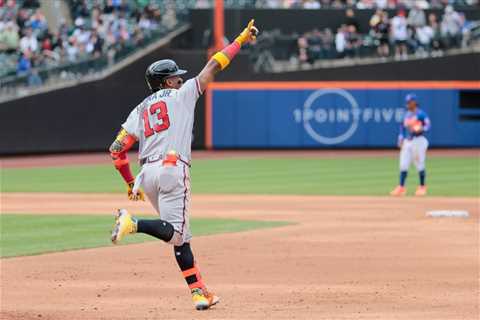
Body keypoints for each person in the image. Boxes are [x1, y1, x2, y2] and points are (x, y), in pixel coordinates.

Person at [108, 20, 259, 311]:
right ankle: (132, 223)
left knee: (180, 237)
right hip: (173, 169)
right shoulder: (183, 94)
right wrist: (241, 38)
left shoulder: (139, 110)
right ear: (166, 82)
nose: (180, 79)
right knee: (175, 233)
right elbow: (214, 65)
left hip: (146, 175)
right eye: (175, 77)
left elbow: (116, 151)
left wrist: (130, 184)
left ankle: (199, 293)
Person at [390, 93, 431, 197]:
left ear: (414, 102)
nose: (408, 103)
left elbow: (428, 125)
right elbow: (402, 128)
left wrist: (422, 128)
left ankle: (422, 187)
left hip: (419, 140)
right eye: (407, 102)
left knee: (419, 163)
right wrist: (400, 138)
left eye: (409, 101)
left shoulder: (421, 114)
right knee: (403, 164)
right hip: (408, 141)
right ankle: (401, 187)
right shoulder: (407, 115)